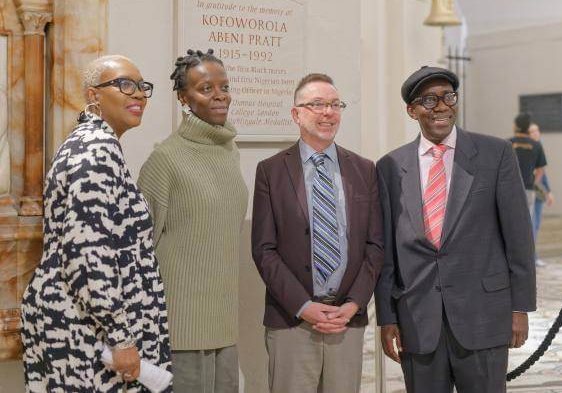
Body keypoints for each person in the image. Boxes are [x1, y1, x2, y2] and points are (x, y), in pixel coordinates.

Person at [375, 66, 536, 393]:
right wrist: (387, 317)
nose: (442, 107)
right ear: (412, 110)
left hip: (483, 316)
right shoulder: (390, 166)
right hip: (417, 321)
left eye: (448, 97)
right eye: (429, 100)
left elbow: (519, 237)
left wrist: (520, 308)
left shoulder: (495, 154)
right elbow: (387, 250)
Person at [21, 55, 171, 392]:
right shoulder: (95, 151)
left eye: (143, 87)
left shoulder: (97, 145)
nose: (138, 95)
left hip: (88, 325)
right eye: (125, 85)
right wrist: (120, 337)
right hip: (87, 333)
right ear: (94, 95)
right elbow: (87, 252)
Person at [251, 73, 384, 393]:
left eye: (335, 105)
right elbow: (264, 250)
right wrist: (304, 306)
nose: (328, 112)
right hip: (292, 320)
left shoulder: (364, 169)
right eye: (317, 104)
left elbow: (375, 246)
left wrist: (353, 305)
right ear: (296, 114)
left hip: (345, 321)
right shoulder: (271, 170)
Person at [138, 49, 248, 393]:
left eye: (224, 86)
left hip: (225, 322)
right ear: (183, 98)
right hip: (181, 329)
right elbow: (139, 252)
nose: (220, 96)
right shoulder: (165, 159)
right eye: (206, 88)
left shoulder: (229, 151)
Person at [510, 113, 547, 267]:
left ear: (516, 126)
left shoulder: (507, 143)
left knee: (510, 222)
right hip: (528, 190)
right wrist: (533, 181)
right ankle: (527, 258)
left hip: (510, 189)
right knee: (527, 224)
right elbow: (541, 170)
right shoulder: (536, 145)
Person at [528, 122, 554, 266]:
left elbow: (543, 173)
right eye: (532, 131)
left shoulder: (539, 146)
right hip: (529, 191)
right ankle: (532, 257)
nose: (536, 133)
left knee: (536, 224)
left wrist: (548, 192)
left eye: (537, 130)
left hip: (538, 192)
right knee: (531, 225)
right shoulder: (529, 148)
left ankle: (534, 255)